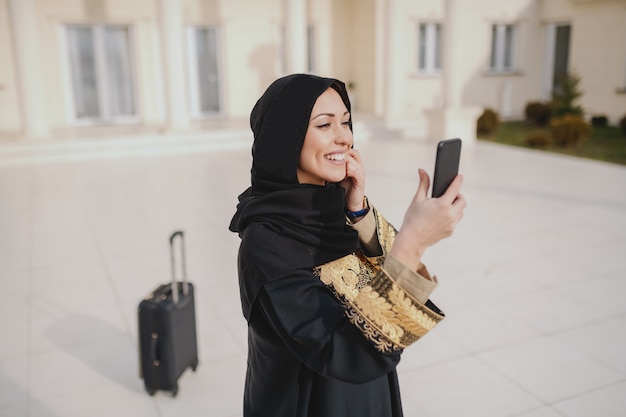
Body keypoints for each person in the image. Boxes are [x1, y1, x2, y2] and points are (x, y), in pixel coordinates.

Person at [229, 73, 466, 417]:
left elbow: (382, 277)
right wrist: (413, 242)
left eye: (346, 122)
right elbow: (348, 352)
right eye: (325, 125)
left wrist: (358, 211)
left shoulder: (332, 207)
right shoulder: (267, 242)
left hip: (364, 395)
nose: (345, 137)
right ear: (286, 138)